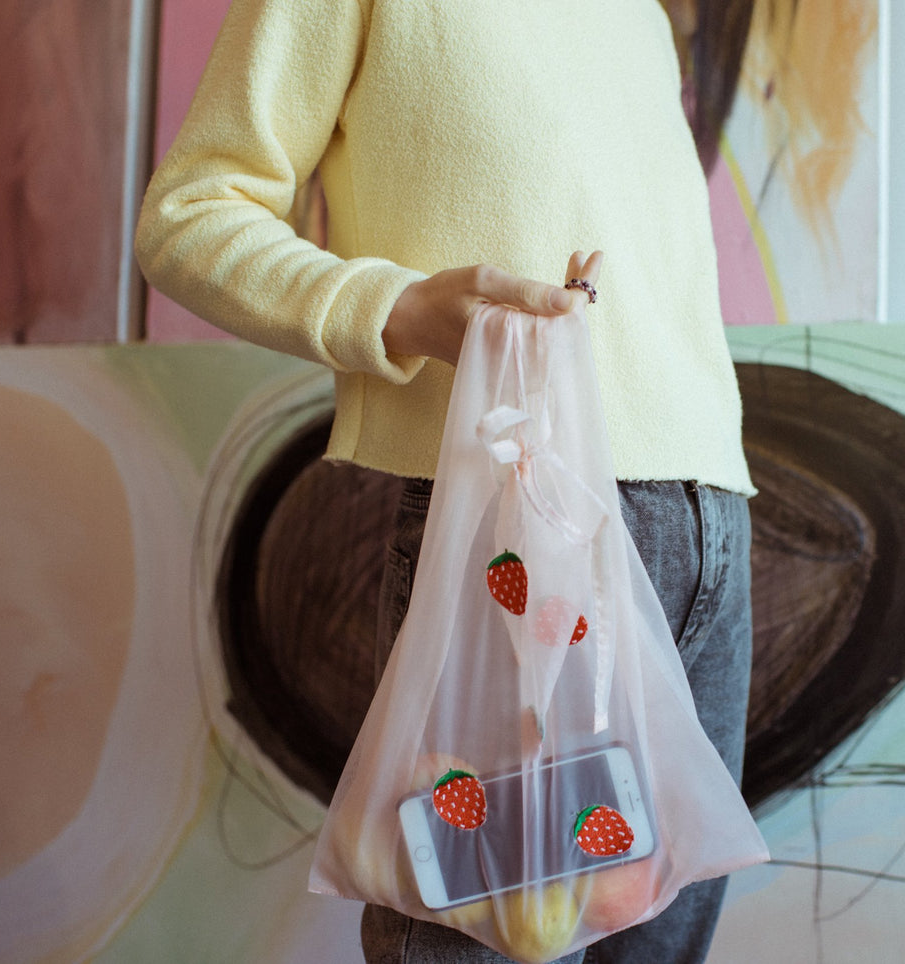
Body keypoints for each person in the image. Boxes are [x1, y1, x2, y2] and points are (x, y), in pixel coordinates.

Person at [135, 1, 755, 960]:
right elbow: (188, 217)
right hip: (503, 521)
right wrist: (399, 308)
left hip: (708, 513)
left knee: (658, 938)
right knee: (476, 941)